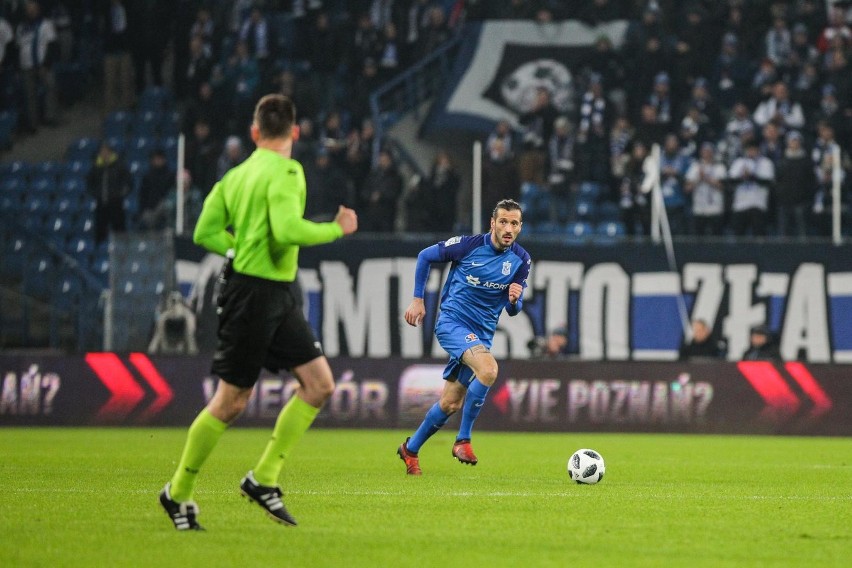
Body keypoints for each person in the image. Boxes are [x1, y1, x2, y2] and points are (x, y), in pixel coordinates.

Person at [159, 94, 358, 530]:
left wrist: (237, 246)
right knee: (231, 402)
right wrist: (335, 229)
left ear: (253, 133)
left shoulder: (236, 176)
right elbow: (287, 230)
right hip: (254, 295)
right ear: (295, 132)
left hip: (273, 294)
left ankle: (263, 478)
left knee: (319, 384)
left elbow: (204, 231)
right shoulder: (288, 170)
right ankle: (177, 493)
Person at [397, 199, 531, 475]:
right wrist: (417, 300)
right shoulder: (468, 246)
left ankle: (410, 450)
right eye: (503, 221)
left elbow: (512, 309)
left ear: (520, 227)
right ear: (492, 223)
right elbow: (425, 257)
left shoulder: (521, 261)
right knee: (489, 368)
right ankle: (463, 439)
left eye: (514, 223)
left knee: (450, 402)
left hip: (480, 336)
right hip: (452, 323)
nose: (508, 228)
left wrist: (516, 301)